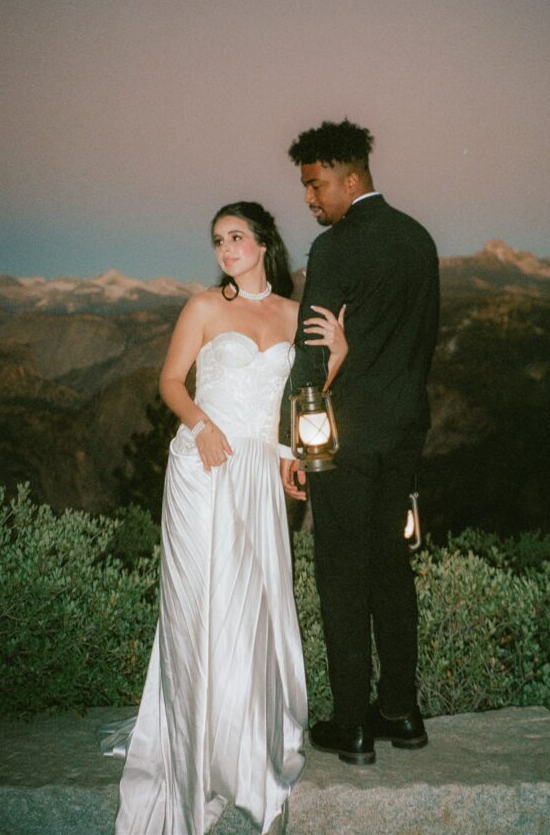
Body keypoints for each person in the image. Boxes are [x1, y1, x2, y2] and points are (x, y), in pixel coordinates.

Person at [105, 201, 347, 835]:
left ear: (264, 244)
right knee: (200, 598)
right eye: (218, 240)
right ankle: (192, 739)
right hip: (204, 466)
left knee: (252, 603)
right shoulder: (205, 307)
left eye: (237, 237)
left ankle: (242, 738)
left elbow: (301, 394)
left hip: (260, 472)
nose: (226, 248)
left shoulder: (293, 314)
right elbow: (170, 381)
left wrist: (335, 361)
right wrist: (202, 426)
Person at [280, 120, 439, 766]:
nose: (308, 198)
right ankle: (401, 712)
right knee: (391, 568)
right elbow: (420, 344)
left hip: (344, 441)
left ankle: (350, 724)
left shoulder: (335, 247)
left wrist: (294, 445)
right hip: (403, 433)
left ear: (350, 180)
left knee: (342, 575)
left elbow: (313, 353)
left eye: (315, 184)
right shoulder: (418, 238)